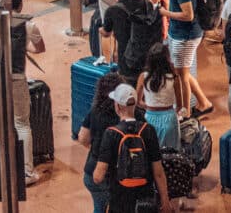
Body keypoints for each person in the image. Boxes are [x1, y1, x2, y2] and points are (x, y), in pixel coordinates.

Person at [0, 0, 46, 184]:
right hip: (16, 78)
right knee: (22, 123)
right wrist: (26, 48)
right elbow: (40, 48)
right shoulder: (28, 25)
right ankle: (26, 171)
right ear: (20, 3)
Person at [92, 84, 173, 213]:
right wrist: (165, 199)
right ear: (134, 105)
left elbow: (98, 176)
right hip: (144, 201)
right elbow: (158, 171)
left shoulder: (111, 134)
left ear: (117, 106)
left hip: (119, 202)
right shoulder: (148, 130)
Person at [155, 0, 213, 116]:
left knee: (182, 76)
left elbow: (188, 15)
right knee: (181, 72)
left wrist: (165, 13)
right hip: (178, 33)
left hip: (185, 35)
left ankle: (186, 113)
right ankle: (203, 103)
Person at [102, 0, 163, 83]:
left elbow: (106, 33)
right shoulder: (145, 4)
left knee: (129, 94)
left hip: (126, 63)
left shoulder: (112, 11)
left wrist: (101, 30)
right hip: (146, 61)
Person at [78, 71, 126, 213]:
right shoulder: (124, 117)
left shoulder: (94, 111)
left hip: (91, 172)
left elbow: (82, 138)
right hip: (115, 175)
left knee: (99, 207)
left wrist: (95, 148)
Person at [136, 43, 182, 150]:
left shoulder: (143, 77)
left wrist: (149, 106)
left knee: (151, 154)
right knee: (171, 154)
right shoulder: (174, 78)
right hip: (170, 119)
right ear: (167, 59)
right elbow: (180, 106)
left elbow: (138, 102)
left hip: (149, 119)